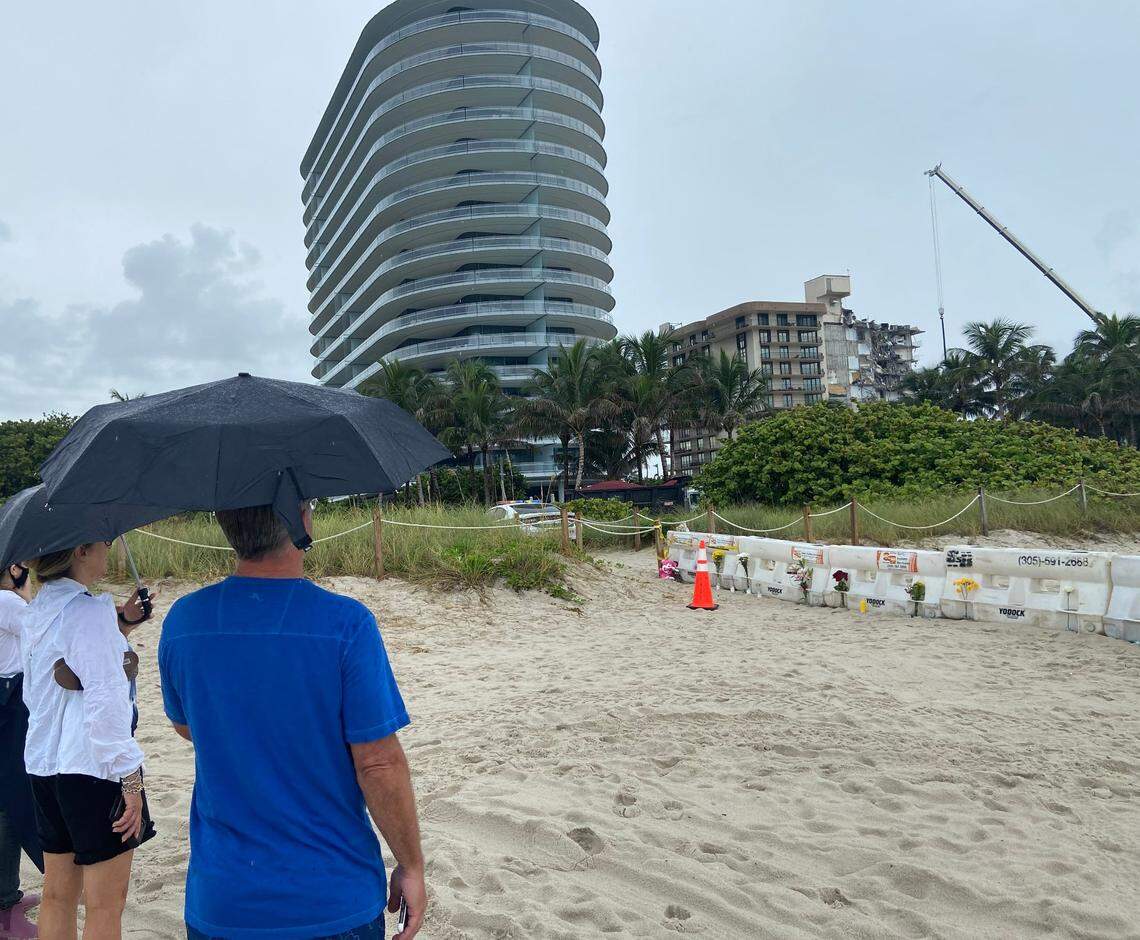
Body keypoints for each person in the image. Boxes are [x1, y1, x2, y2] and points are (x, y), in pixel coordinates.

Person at [159, 503, 426, 940]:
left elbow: (187, 726)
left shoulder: (184, 621)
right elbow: (377, 763)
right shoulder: (346, 623)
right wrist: (411, 865)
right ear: (300, 520)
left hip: (224, 897)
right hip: (332, 894)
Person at [23, 542, 156, 940]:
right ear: (81, 551)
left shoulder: (38, 610)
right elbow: (105, 700)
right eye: (103, 543)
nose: (109, 549)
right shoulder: (89, 611)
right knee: (104, 905)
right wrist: (131, 779)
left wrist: (124, 627)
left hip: (45, 764)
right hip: (92, 767)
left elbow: (59, 680)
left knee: (58, 895)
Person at [0, 561, 43, 938]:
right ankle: (5, 905)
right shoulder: (7, 602)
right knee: (11, 802)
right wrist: (23, 590)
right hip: (8, 702)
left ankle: (7, 896)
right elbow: (42, 632)